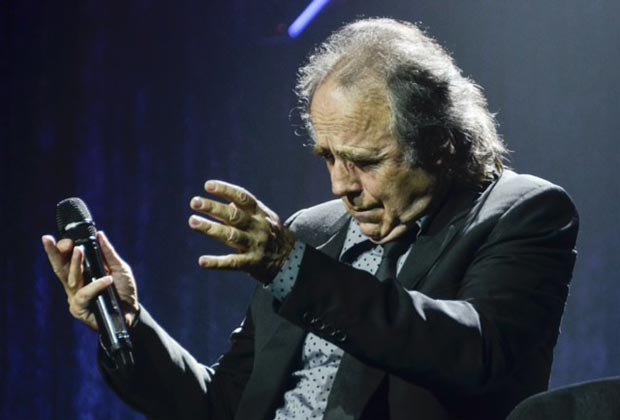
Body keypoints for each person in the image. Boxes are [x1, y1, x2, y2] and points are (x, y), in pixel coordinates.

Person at [42, 18, 579, 420]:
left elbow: (474, 352)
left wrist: (290, 266)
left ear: (439, 144)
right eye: (328, 157)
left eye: (367, 162)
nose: (341, 186)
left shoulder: (521, 211)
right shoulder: (311, 232)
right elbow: (224, 405)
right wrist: (130, 327)